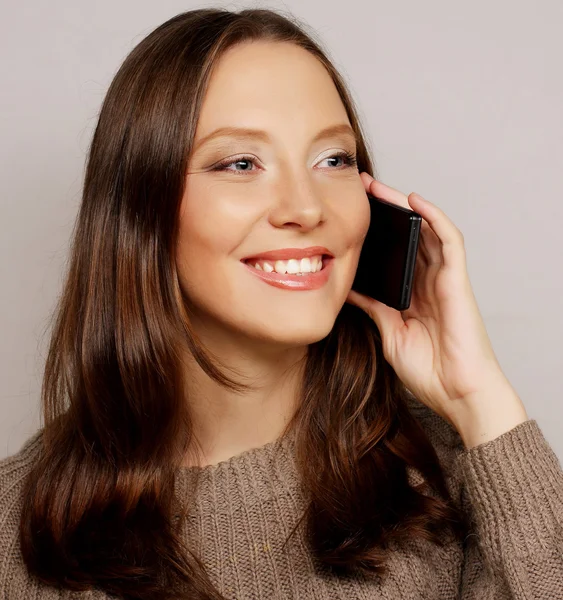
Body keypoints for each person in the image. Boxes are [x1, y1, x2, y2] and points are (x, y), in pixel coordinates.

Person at [1, 7, 561, 600]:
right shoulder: (15, 534)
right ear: (140, 213)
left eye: (334, 160)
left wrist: (479, 401)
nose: (306, 206)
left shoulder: (449, 472)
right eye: (240, 163)